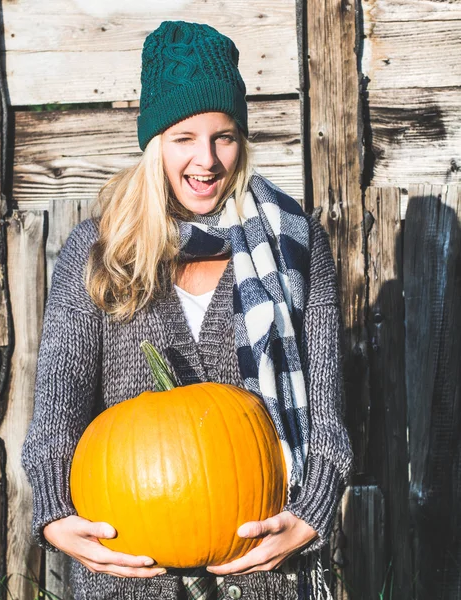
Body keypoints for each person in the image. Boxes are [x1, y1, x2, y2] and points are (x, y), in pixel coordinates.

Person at [22, 20, 352, 600]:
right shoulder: (99, 250)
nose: (207, 161)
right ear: (154, 143)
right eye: (184, 138)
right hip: (129, 576)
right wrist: (52, 512)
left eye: (224, 136)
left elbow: (326, 411)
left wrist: (312, 512)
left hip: (266, 574)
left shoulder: (293, 243)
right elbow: (58, 401)